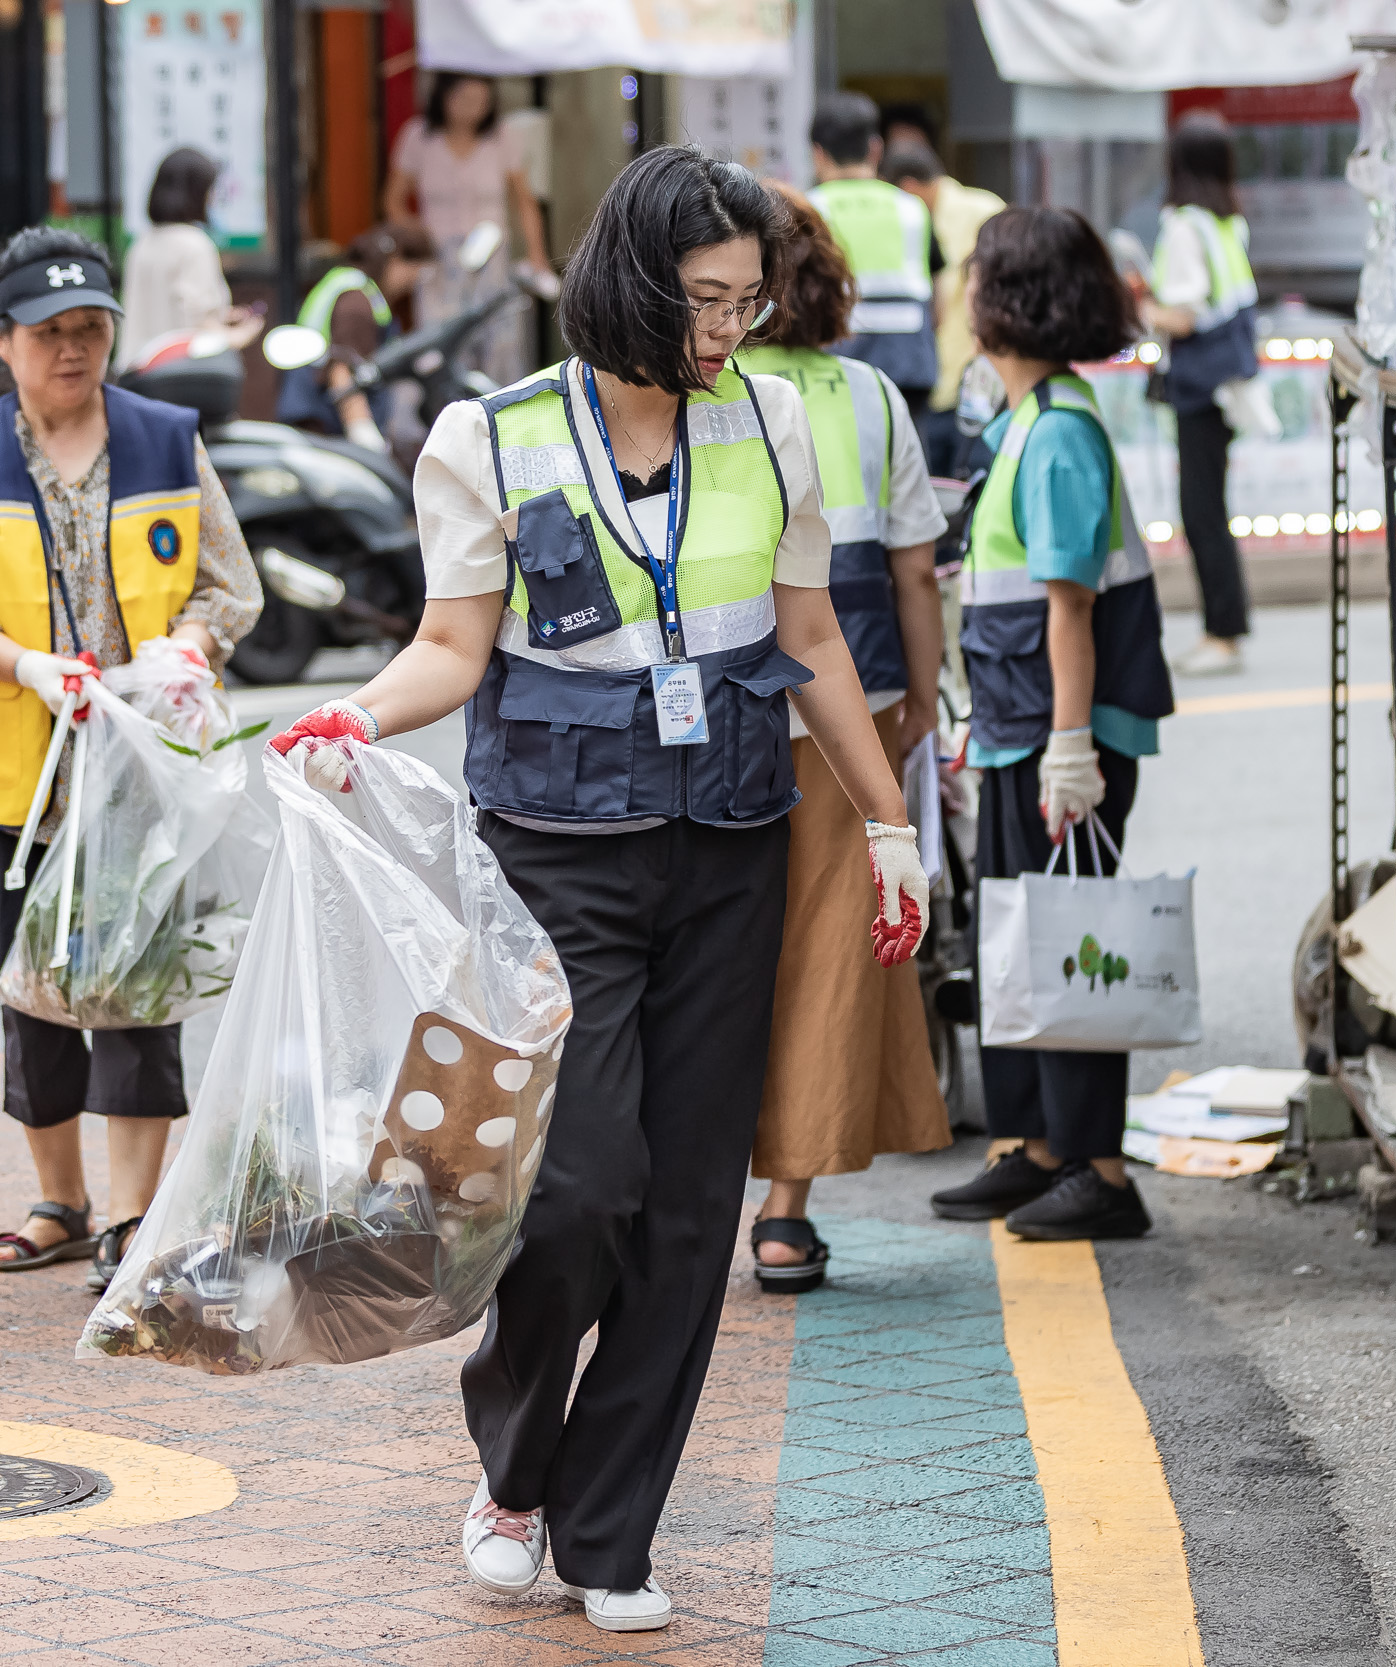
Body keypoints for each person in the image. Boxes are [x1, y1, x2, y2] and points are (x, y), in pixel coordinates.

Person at [268, 148, 927, 1634]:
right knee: (574, 1189)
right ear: (632, 280)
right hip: (557, 852)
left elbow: (812, 635)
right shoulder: (491, 438)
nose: (729, 331)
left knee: (693, 1210)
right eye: (705, 299)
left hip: (733, 842)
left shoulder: (772, 424)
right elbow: (451, 648)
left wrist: (887, 824)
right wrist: (349, 718)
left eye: (750, 301)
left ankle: (608, 1529)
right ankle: (513, 1467)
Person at [0, 226, 263, 1289]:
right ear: (0, 340)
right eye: (50, 333)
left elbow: (226, 581)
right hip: (23, 774)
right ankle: (59, 1199)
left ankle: (132, 1217)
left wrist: (187, 648)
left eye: (91, 330)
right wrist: (28, 668)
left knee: (144, 991)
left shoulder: (163, 438)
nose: (73, 351)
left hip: (147, 774)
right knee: (33, 989)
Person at [923, 206, 1173, 1241]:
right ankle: (1032, 1144)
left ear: (1007, 303)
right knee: (1022, 936)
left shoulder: (1059, 432)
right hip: (1022, 725)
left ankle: (1100, 1168)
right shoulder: (1029, 419)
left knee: (1074, 941)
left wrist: (1071, 749)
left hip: (1059, 734)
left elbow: (1069, 607)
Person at [735, 181, 949, 1295]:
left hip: (717, 712)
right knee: (828, 945)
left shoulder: (703, 385)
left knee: (715, 944)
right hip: (844, 707)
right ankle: (784, 1214)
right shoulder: (870, 394)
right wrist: (919, 696)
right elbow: (914, 570)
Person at [1141, 119, 1261, 678]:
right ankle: (1224, 629)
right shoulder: (1225, 223)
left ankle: (1222, 633)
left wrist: (1139, 308)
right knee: (1209, 508)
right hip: (1225, 384)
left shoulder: (1185, 227)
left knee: (1201, 511)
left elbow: (1183, 317)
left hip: (1200, 387)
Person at [385, 72, 555, 389]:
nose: (473, 109)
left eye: (481, 101)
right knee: (441, 343)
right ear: (444, 98)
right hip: (439, 262)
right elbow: (393, 202)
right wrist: (420, 240)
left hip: (491, 258)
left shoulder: (502, 136)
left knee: (499, 343)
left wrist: (537, 256)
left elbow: (525, 202)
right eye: (465, 100)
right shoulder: (418, 136)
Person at [807, 91, 943, 411]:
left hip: (834, 373)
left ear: (817, 154)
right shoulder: (912, 209)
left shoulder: (807, 210)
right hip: (909, 368)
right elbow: (940, 302)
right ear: (876, 149)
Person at [878, 143, 1006, 477]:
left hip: (979, 388)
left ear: (908, 187)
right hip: (930, 386)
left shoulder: (983, 212)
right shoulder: (915, 225)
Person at [274, 222, 434, 454]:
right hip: (327, 435)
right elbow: (342, 369)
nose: (413, 282)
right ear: (397, 261)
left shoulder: (344, 283)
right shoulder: (356, 302)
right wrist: (362, 432)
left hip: (312, 424)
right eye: (416, 271)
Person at [115, 147, 260, 372]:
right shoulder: (195, 244)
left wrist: (223, 314)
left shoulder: (142, 244)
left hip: (135, 373)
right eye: (209, 189)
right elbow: (200, 329)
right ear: (197, 192)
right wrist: (243, 334)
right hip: (179, 377)